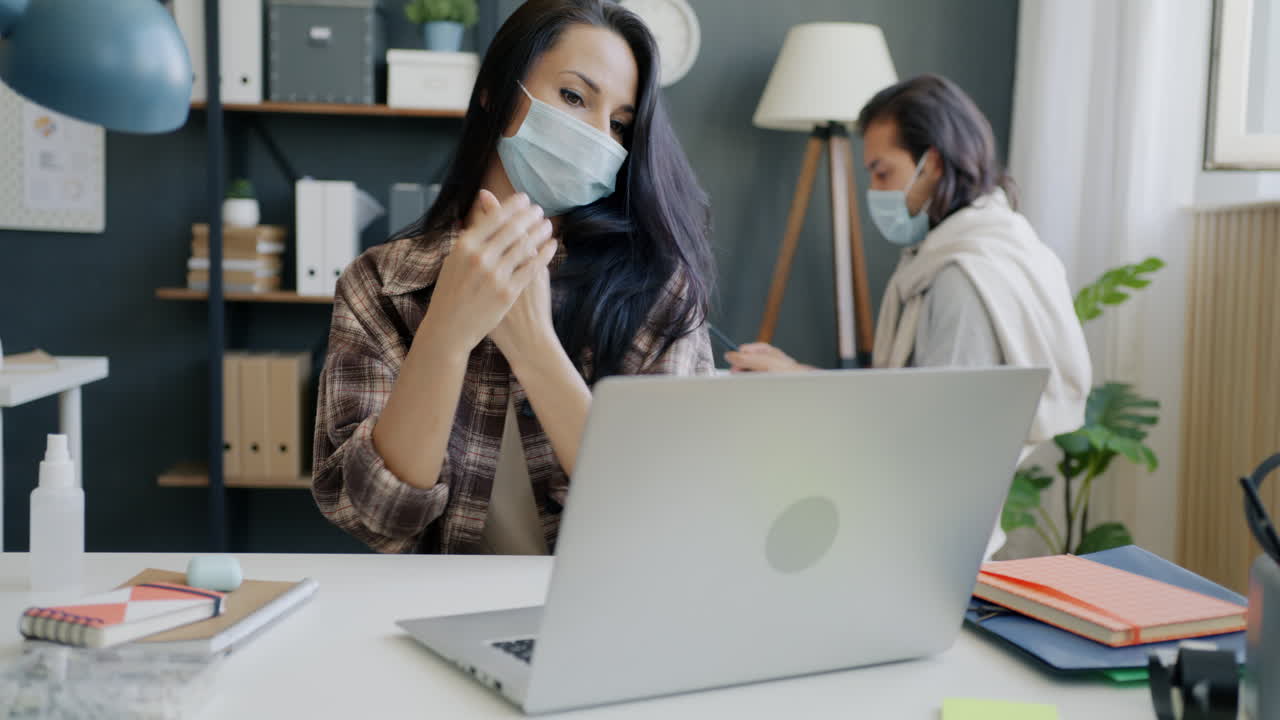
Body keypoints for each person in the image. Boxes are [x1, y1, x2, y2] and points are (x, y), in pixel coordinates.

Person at [312, 0, 715, 555]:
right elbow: (375, 517)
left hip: (600, 601)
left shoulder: (659, 289)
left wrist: (534, 348)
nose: (599, 136)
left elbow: (660, 513)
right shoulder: (380, 284)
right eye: (573, 97)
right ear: (495, 92)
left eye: (619, 124)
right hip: (440, 604)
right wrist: (445, 334)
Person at [728, 74, 1091, 456]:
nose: (874, 190)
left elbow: (934, 437)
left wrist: (802, 388)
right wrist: (797, 375)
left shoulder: (963, 279)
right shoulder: (984, 248)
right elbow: (911, 401)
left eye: (882, 172)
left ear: (931, 164)